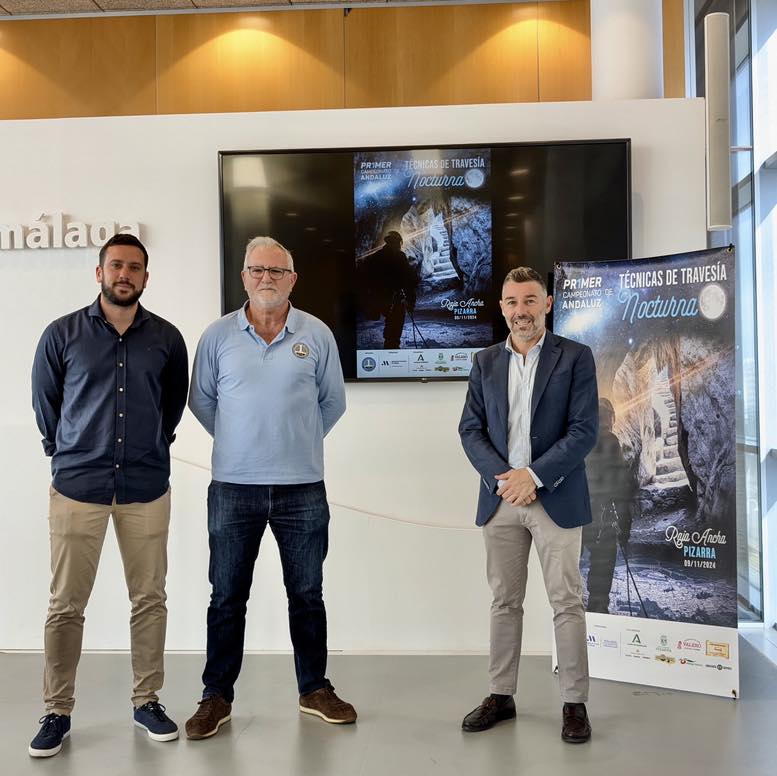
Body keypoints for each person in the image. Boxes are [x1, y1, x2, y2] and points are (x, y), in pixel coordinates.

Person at [186, 235, 353, 740]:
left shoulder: (316, 334)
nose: (266, 278)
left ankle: (314, 689)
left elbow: (333, 402)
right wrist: (241, 442)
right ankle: (216, 696)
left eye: (276, 271)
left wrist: (294, 442)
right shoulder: (217, 336)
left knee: (307, 594)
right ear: (244, 277)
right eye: (257, 270)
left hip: (302, 489)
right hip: (233, 488)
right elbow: (202, 402)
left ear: (292, 280)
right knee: (226, 596)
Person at [29, 233, 189, 757]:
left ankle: (147, 701)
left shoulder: (167, 339)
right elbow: (46, 405)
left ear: (146, 277)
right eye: (116, 265)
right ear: (99, 272)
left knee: (150, 599)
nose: (125, 274)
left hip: (146, 488)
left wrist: (150, 448)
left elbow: (172, 407)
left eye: (134, 267)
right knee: (65, 604)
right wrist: (67, 452)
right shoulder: (62, 334)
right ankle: (56, 710)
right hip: (78, 488)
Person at [458, 266, 598, 744]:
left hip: (554, 496)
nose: (522, 311)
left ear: (547, 304)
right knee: (504, 601)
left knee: (566, 602)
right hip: (501, 499)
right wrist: (505, 479)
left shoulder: (575, 357)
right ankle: (501, 695)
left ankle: (574, 703)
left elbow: (584, 430)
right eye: (513, 302)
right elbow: (470, 430)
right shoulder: (484, 362)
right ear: (502, 308)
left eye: (530, 300)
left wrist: (533, 476)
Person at [582, 398, 635, 614]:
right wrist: (625, 525)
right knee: (602, 564)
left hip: (576, 515)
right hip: (601, 517)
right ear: (610, 417)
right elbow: (620, 487)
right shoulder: (611, 441)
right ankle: (597, 606)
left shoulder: (578, 439)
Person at [360, 230, 418, 348]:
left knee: (390, 322)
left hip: (380, 298)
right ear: (398, 242)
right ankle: (392, 346)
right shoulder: (399, 256)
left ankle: (389, 341)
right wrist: (411, 302)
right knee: (395, 325)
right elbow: (409, 280)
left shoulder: (376, 256)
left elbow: (366, 277)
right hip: (394, 299)